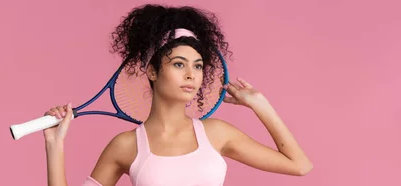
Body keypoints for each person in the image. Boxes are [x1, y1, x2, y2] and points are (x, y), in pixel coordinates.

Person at [42, 4, 313, 186]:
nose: (192, 75)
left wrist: (260, 105)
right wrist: (55, 146)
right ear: (152, 71)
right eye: (179, 64)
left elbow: (299, 165)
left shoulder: (217, 133)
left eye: (197, 66)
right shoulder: (126, 146)